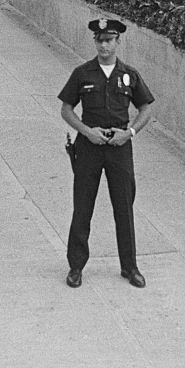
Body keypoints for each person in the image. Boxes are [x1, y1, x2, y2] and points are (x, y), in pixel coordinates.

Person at [58, 18, 155, 289]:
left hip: (119, 147)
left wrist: (130, 133)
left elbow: (146, 109)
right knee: (83, 207)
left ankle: (130, 266)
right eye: (99, 40)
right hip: (89, 146)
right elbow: (66, 109)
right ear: (95, 42)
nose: (104, 45)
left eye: (109, 40)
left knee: (124, 207)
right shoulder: (83, 73)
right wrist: (86, 131)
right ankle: (76, 266)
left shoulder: (129, 74)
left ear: (117, 42)